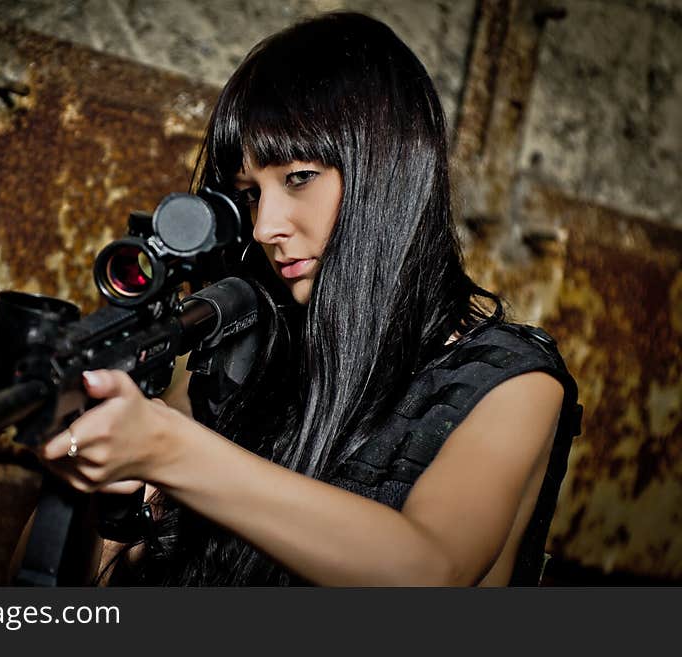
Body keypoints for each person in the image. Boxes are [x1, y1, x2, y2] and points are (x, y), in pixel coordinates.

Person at [33, 11, 581, 586]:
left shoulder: (511, 382)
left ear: (386, 170)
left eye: (298, 177)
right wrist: (83, 474)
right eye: (249, 194)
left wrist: (168, 449)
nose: (267, 225)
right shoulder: (249, 356)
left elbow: (426, 572)